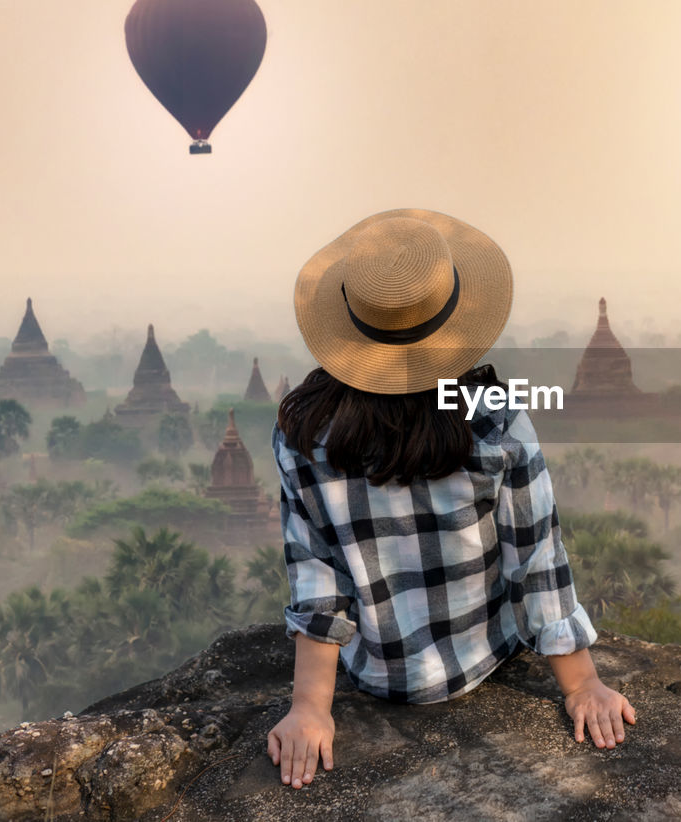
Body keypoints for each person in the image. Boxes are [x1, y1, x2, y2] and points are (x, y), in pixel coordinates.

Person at [265, 209, 635, 790]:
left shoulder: (303, 435)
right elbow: (535, 563)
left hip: (377, 674)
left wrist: (311, 707)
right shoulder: (495, 421)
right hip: (483, 658)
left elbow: (318, 578)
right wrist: (583, 686)